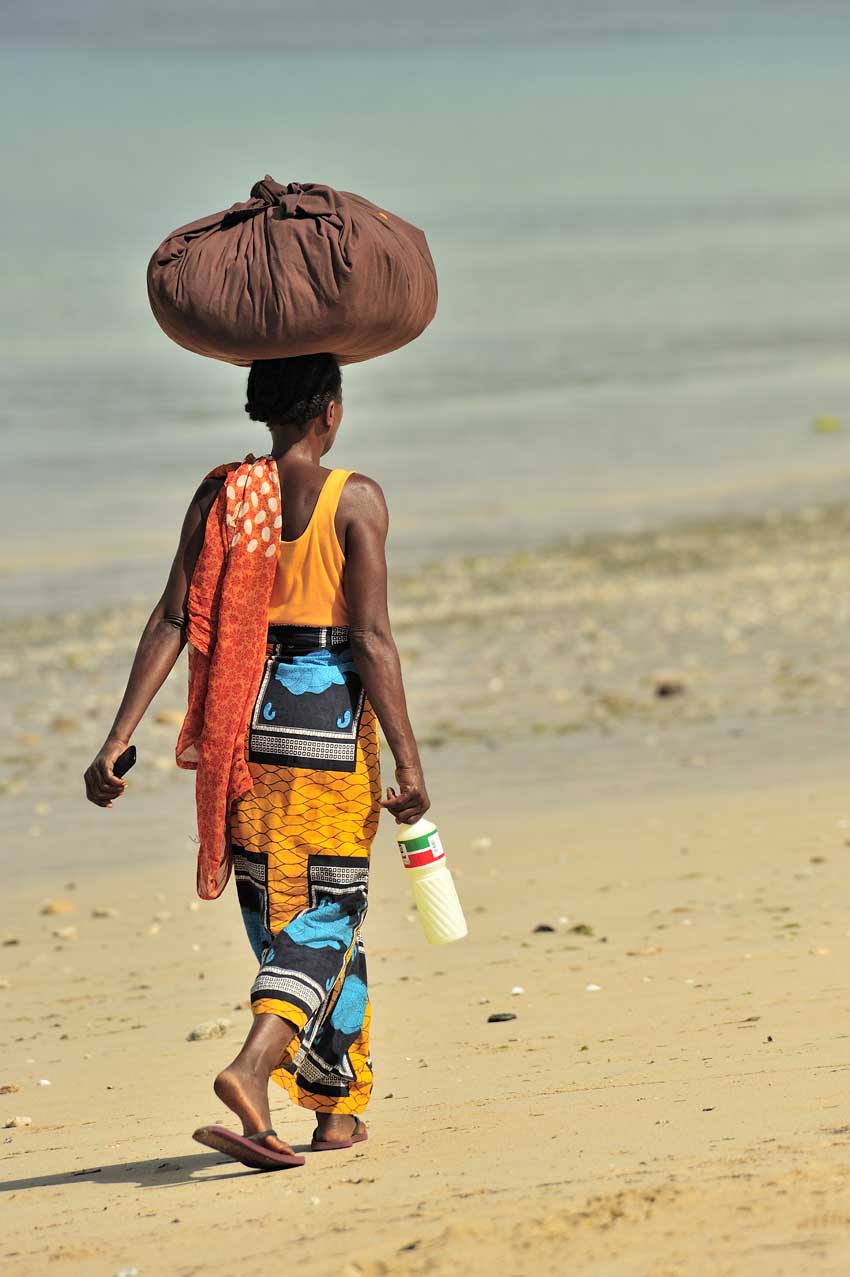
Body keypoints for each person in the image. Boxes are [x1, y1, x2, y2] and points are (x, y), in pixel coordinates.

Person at [83, 353, 429, 1170]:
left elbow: (174, 617)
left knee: (285, 913)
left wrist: (117, 735)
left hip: (245, 718)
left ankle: (335, 1109)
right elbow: (372, 638)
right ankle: (251, 1065)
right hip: (327, 725)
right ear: (331, 412)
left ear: (259, 409)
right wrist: (410, 761)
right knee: (330, 913)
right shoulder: (357, 499)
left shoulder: (221, 496)